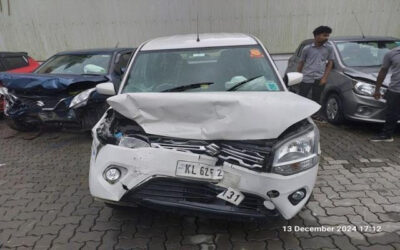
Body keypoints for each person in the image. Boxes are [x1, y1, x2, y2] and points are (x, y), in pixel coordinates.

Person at [297, 26, 334, 121]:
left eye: (328, 36)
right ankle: (300, 116)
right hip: (306, 77)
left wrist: (324, 78)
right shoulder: (307, 49)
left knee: (316, 98)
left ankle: (315, 116)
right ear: (316, 36)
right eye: (324, 35)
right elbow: (301, 63)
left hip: (320, 78)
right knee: (302, 97)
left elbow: (330, 63)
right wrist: (298, 76)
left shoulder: (329, 48)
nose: (326, 38)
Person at [370, 45, 400, 142]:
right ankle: (387, 135)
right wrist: (377, 89)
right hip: (395, 89)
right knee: (391, 114)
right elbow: (383, 71)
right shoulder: (392, 53)